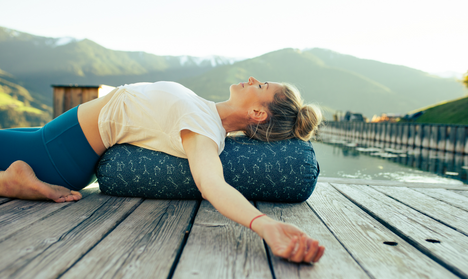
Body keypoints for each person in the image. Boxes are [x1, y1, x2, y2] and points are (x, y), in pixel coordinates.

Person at [0, 77, 324, 263]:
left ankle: (15, 183)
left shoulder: (203, 129)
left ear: (257, 112)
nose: (252, 79)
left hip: (58, 152)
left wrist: (264, 225)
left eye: (262, 85)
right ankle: (14, 182)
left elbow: (212, 184)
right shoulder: (204, 109)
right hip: (53, 138)